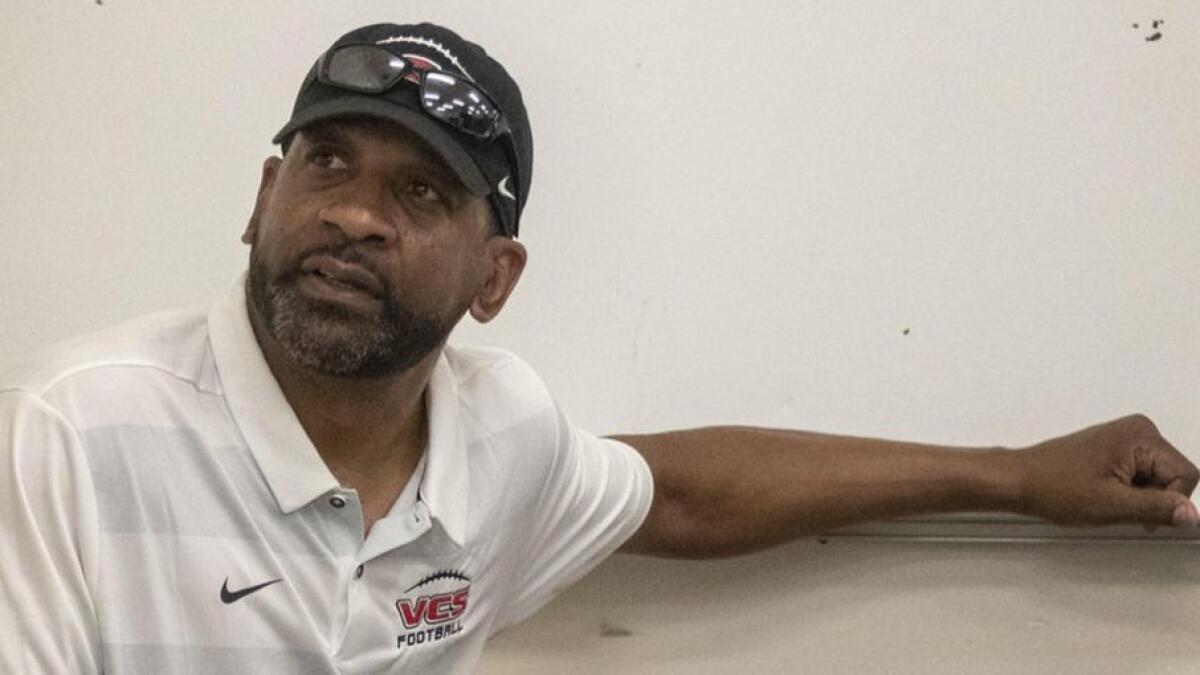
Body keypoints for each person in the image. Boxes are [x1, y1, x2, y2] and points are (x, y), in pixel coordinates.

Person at [0, 21, 1195, 675]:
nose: (356, 213)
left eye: (419, 194)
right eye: (327, 164)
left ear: (494, 277)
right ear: (263, 198)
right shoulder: (76, 427)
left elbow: (675, 494)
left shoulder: (498, 434)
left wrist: (1014, 477)